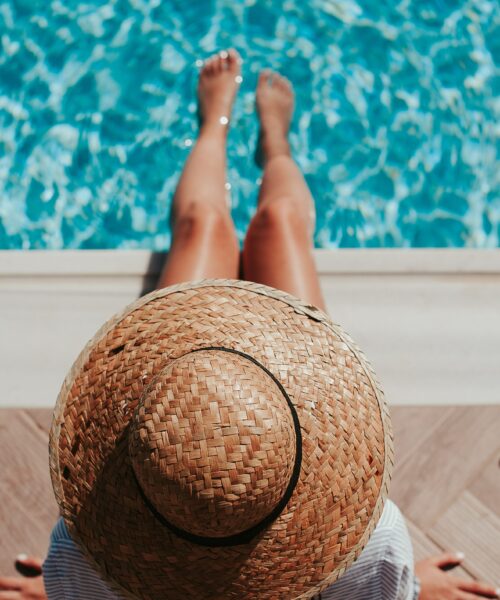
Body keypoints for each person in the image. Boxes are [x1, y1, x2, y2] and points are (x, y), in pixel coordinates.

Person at [1, 48, 498, 600]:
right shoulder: (372, 544)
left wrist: (61, 589)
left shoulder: (80, 551)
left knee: (202, 224)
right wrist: (404, 590)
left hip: (200, 389)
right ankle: (275, 144)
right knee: (280, 223)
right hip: (278, 418)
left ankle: (213, 126)